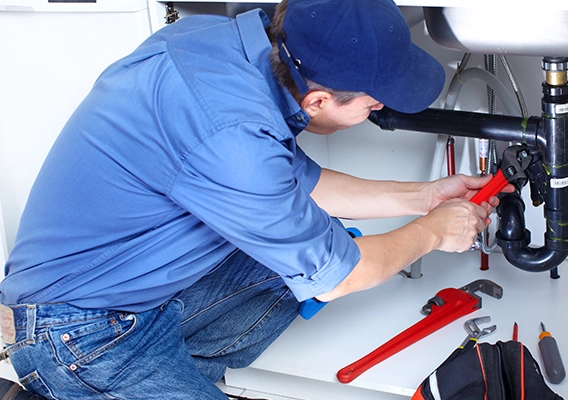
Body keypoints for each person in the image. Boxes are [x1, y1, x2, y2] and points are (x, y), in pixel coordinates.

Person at [0, 0, 506, 398]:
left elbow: (297, 186)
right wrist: (436, 231)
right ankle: (74, 386)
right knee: (327, 265)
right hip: (76, 332)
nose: (381, 106)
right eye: (374, 100)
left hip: (137, 290)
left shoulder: (220, 45)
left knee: (294, 265)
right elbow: (342, 276)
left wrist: (424, 198)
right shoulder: (234, 138)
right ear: (318, 101)